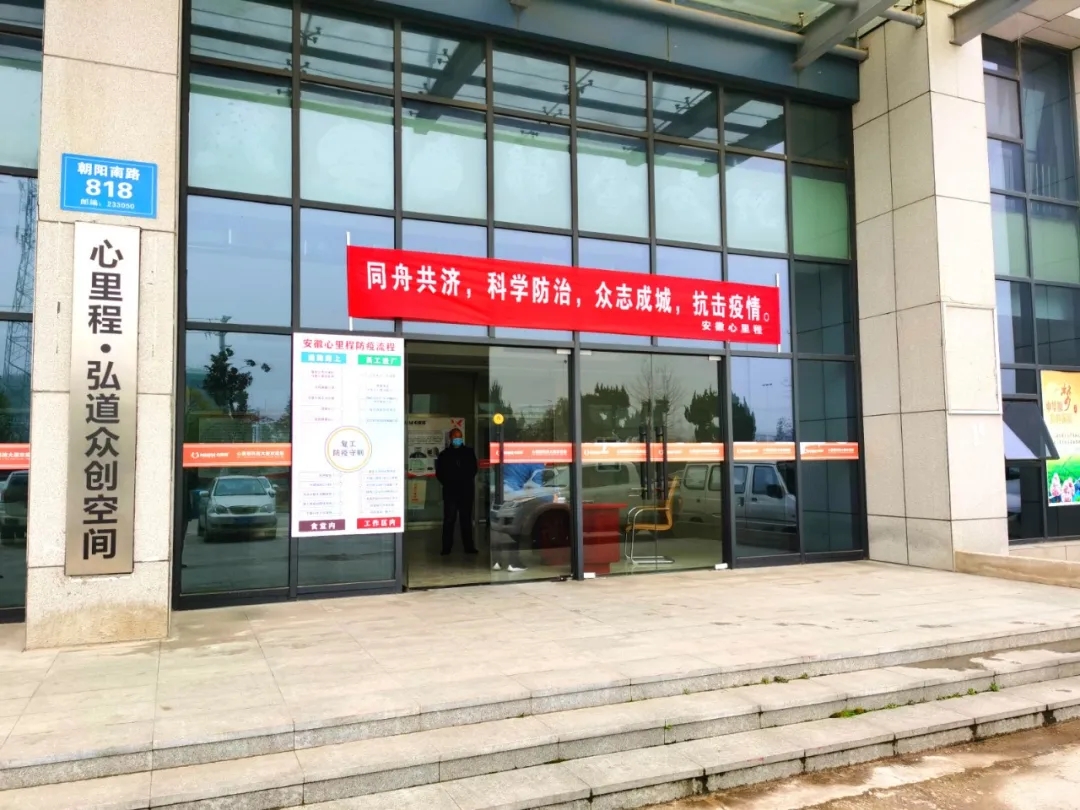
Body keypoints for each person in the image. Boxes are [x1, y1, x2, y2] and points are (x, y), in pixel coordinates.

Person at [435, 428, 478, 555]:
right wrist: (449, 482)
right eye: (455, 437)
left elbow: (474, 469)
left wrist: (464, 479)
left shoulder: (469, 453)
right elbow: (439, 473)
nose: (457, 439)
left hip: (466, 491)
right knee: (449, 519)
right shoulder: (444, 455)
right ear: (451, 438)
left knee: (466, 520)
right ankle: (446, 547)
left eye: (459, 436)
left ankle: (469, 547)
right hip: (450, 492)